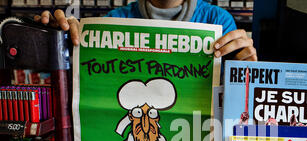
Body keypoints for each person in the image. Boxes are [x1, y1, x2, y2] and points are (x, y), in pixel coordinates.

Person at [34, 0, 257, 61]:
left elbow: (231, 106)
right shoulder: (114, 21)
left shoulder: (218, 22)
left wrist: (246, 75)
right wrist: (59, 41)